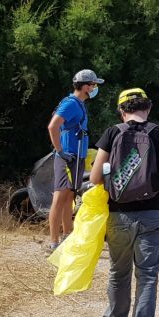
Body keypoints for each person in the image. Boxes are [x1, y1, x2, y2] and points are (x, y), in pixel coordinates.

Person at [89, 88, 159, 317]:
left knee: (119, 272)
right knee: (148, 276)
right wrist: (154, 181)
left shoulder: (112, 133)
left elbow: (96, 178)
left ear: (122, 110)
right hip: (153, 215)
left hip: (119, 216)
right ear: (148, 108)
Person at [46, 69, 104, 252]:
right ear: (86, 86)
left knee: (69, 196)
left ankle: (67, 236)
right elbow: (52, 126)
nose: (95, 88)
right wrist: (60, 151)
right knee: (60, 197)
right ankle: (54, 243)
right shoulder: (70, 104)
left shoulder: (79, 104)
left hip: (76, 157)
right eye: (94, 85)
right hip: (67, 157)